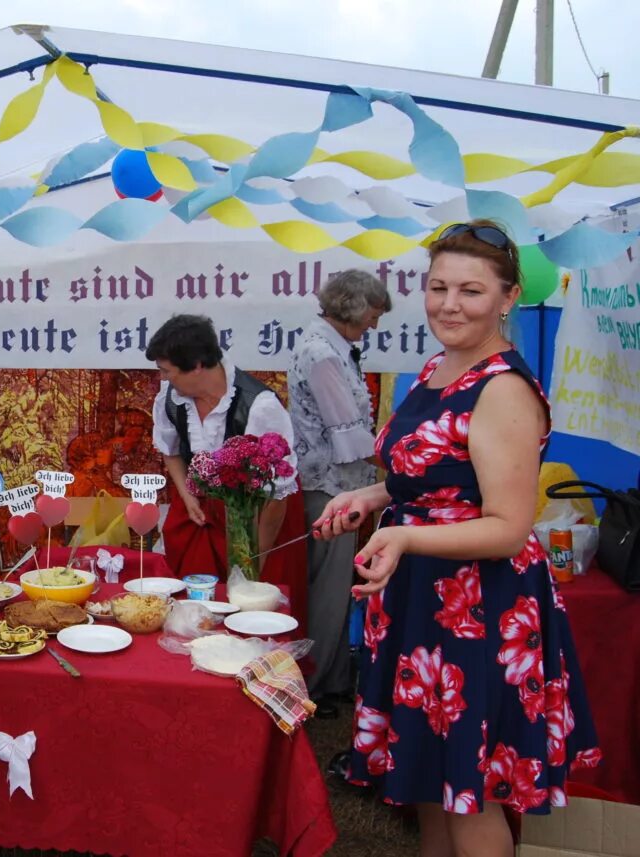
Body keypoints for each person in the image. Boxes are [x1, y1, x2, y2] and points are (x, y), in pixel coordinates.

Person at [314, 220, 600, 855]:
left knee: (466, 792)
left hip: (477, 609)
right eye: (438, 286)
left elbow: (507, 528)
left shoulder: (502, 388)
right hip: (421, 603)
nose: (449, 303)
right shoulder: (436, 367)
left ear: (508, 298)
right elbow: (428, 476)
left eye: (471, 290)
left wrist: (409, 541)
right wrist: (371, 495)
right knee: (430, 785)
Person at [287, 270, 391, 718]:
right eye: (373, 312)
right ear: (353, 307)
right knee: (328, 590)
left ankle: (325, 677)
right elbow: (347, 434)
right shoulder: (322, 352)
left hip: (336, 485)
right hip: (331, 488)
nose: (375, 322)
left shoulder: (329, 346)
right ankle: (318, 683)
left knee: (329, 586)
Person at [146, 314, 303, 582]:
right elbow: (170, 450)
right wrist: (187, 495)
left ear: (196, 366)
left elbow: (279, 495)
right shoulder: (171, 399)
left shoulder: (259, 406)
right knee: (192, 598)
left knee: (252, 602)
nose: (162, 377)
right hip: (201, 515)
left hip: (258, 517)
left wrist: (256, 555)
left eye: (167, 370)